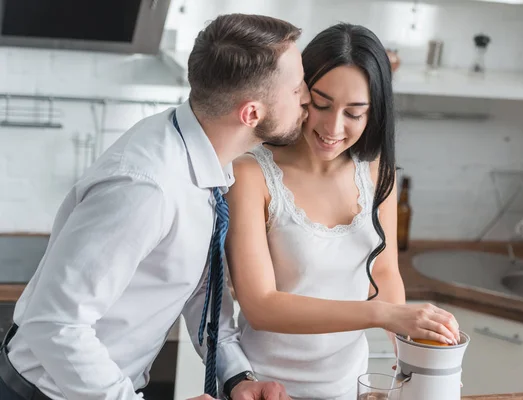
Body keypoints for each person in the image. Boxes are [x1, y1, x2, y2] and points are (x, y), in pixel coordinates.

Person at [0, 14, 310, 400]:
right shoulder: (147, 186)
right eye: (297, 90)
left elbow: (198, 288)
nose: (307, 98)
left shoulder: (205, 156)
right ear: (251, 113)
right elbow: (55, 323)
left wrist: (237, 376)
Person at [224, 23, 461, 400]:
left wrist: (411, 347)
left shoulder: (376, 172)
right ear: (300, 92)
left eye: (354, 113)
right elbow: (261, 306)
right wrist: (383, 315)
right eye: (321, 104)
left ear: (374, 114)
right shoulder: (250, 175)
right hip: (265, 389)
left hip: (349, 388)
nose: (333, 127)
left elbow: (383, 272)